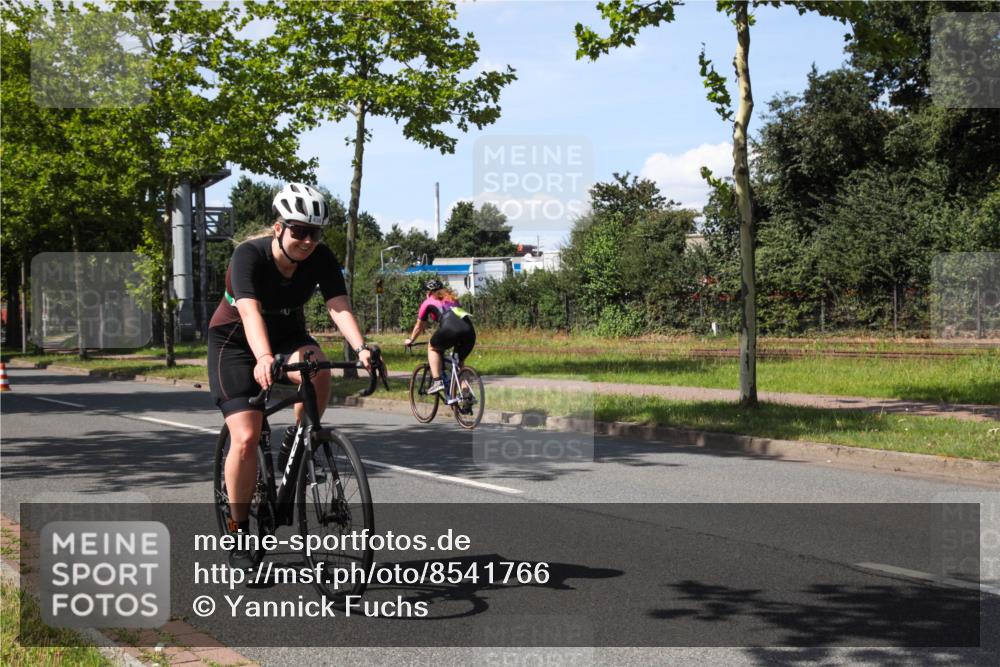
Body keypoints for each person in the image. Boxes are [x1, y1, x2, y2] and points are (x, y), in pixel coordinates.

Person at [207, 182, 372, 569]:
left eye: (314, 233)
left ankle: (298, 446)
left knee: (320, 367)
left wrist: (363, 348)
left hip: (287, 335)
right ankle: (238, 529)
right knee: (246, 438)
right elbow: (249, 312)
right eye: (299, 230)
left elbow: (338, 305)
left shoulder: (320, 257)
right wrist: (263, 357)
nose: (307, 241)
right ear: (279, 227)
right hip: (235, 342)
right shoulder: (248, 256)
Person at [403, 278, 476, 395]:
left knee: (432, 347)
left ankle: (437, 382)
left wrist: (411, 339)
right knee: (459, 363)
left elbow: (419, 326)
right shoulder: (453, 298)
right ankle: (466, 395)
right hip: (469, 330)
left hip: (450, 327)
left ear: (429, 292)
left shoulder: (428, 302)